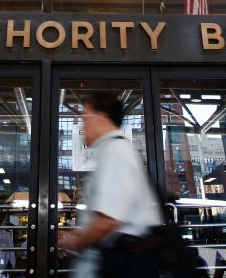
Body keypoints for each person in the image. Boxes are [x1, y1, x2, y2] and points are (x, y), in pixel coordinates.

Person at [59, 92, 162, 278]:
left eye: (85, 118)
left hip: (124, 263)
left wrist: (76, 242)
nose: (83, 124)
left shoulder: (115, 153)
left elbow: (108, 221)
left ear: (102, 118)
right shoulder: (113, 150)